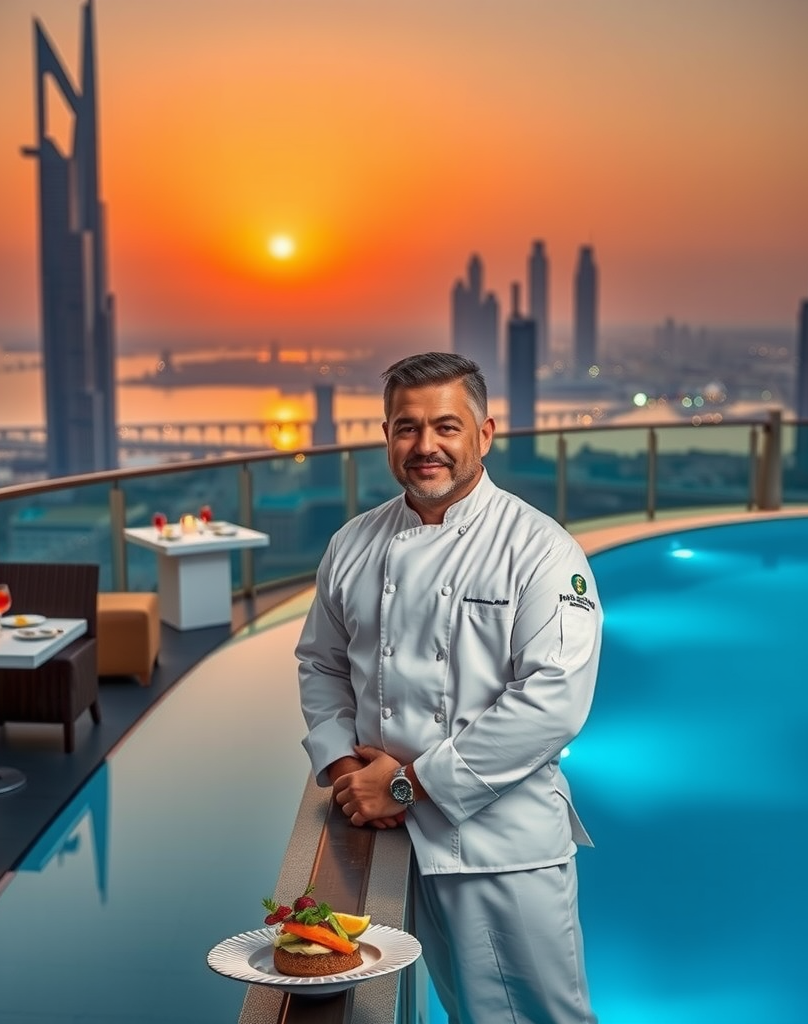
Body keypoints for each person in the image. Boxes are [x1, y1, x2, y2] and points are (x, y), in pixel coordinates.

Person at [295, 352, 602, 1024]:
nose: (425, 446)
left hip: (499, 846)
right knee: (463, 1014)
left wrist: (405, 783)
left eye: (446, 427)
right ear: (386, 437)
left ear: (484, 434)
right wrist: (348, 772)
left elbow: (554, 700)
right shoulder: (352, 543)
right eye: (406, 428)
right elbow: (320, 663)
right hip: (388, 835)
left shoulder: (541, 550)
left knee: (540, 1017)